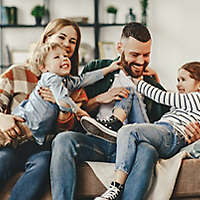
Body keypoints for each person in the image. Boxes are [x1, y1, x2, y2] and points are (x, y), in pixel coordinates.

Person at [49, 22, 200, 200]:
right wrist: (98, 99)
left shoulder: (151, 83)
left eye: (146, 55)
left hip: (135, 147)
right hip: (100, 142)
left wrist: (194, 133)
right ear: (120, 48)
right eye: (135, 54)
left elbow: (167, 127)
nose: (141, 61)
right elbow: (76, 112)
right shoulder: (97, 69)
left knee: (148, 149)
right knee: (63, 140)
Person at [0, 18, 84, 200]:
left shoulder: (72, 87)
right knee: (3, 159)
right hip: (13, 144)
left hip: (42, 148)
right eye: (62, 37)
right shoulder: (17, 72)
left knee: (43, 162)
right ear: (46, 39)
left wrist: (61, 103)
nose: (67, 45)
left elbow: (66, 131)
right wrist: (2, 118)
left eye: (72, 41)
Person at [94, 61, 200, 200]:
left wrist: (139, 82)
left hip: (172, 134)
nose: (178, 84)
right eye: (177, 80)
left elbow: (163, 97)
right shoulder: (185, 103)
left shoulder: (196, 97)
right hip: (161, 130)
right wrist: (155, 79)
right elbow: (168, 99)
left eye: (183, 80)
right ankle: (115, 125)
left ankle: (115, 186)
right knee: (144, 148)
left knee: (128, 131)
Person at [0, 42, 120, 148]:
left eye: (66, 56)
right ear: (44, 68)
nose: (64, 59)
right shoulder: (52, 78)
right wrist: (79, 112)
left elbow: (84, 79)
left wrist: (109, 69)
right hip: (23, 122)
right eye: (57, 57)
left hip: (32, 134)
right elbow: (63, 100)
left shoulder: (65, 80)